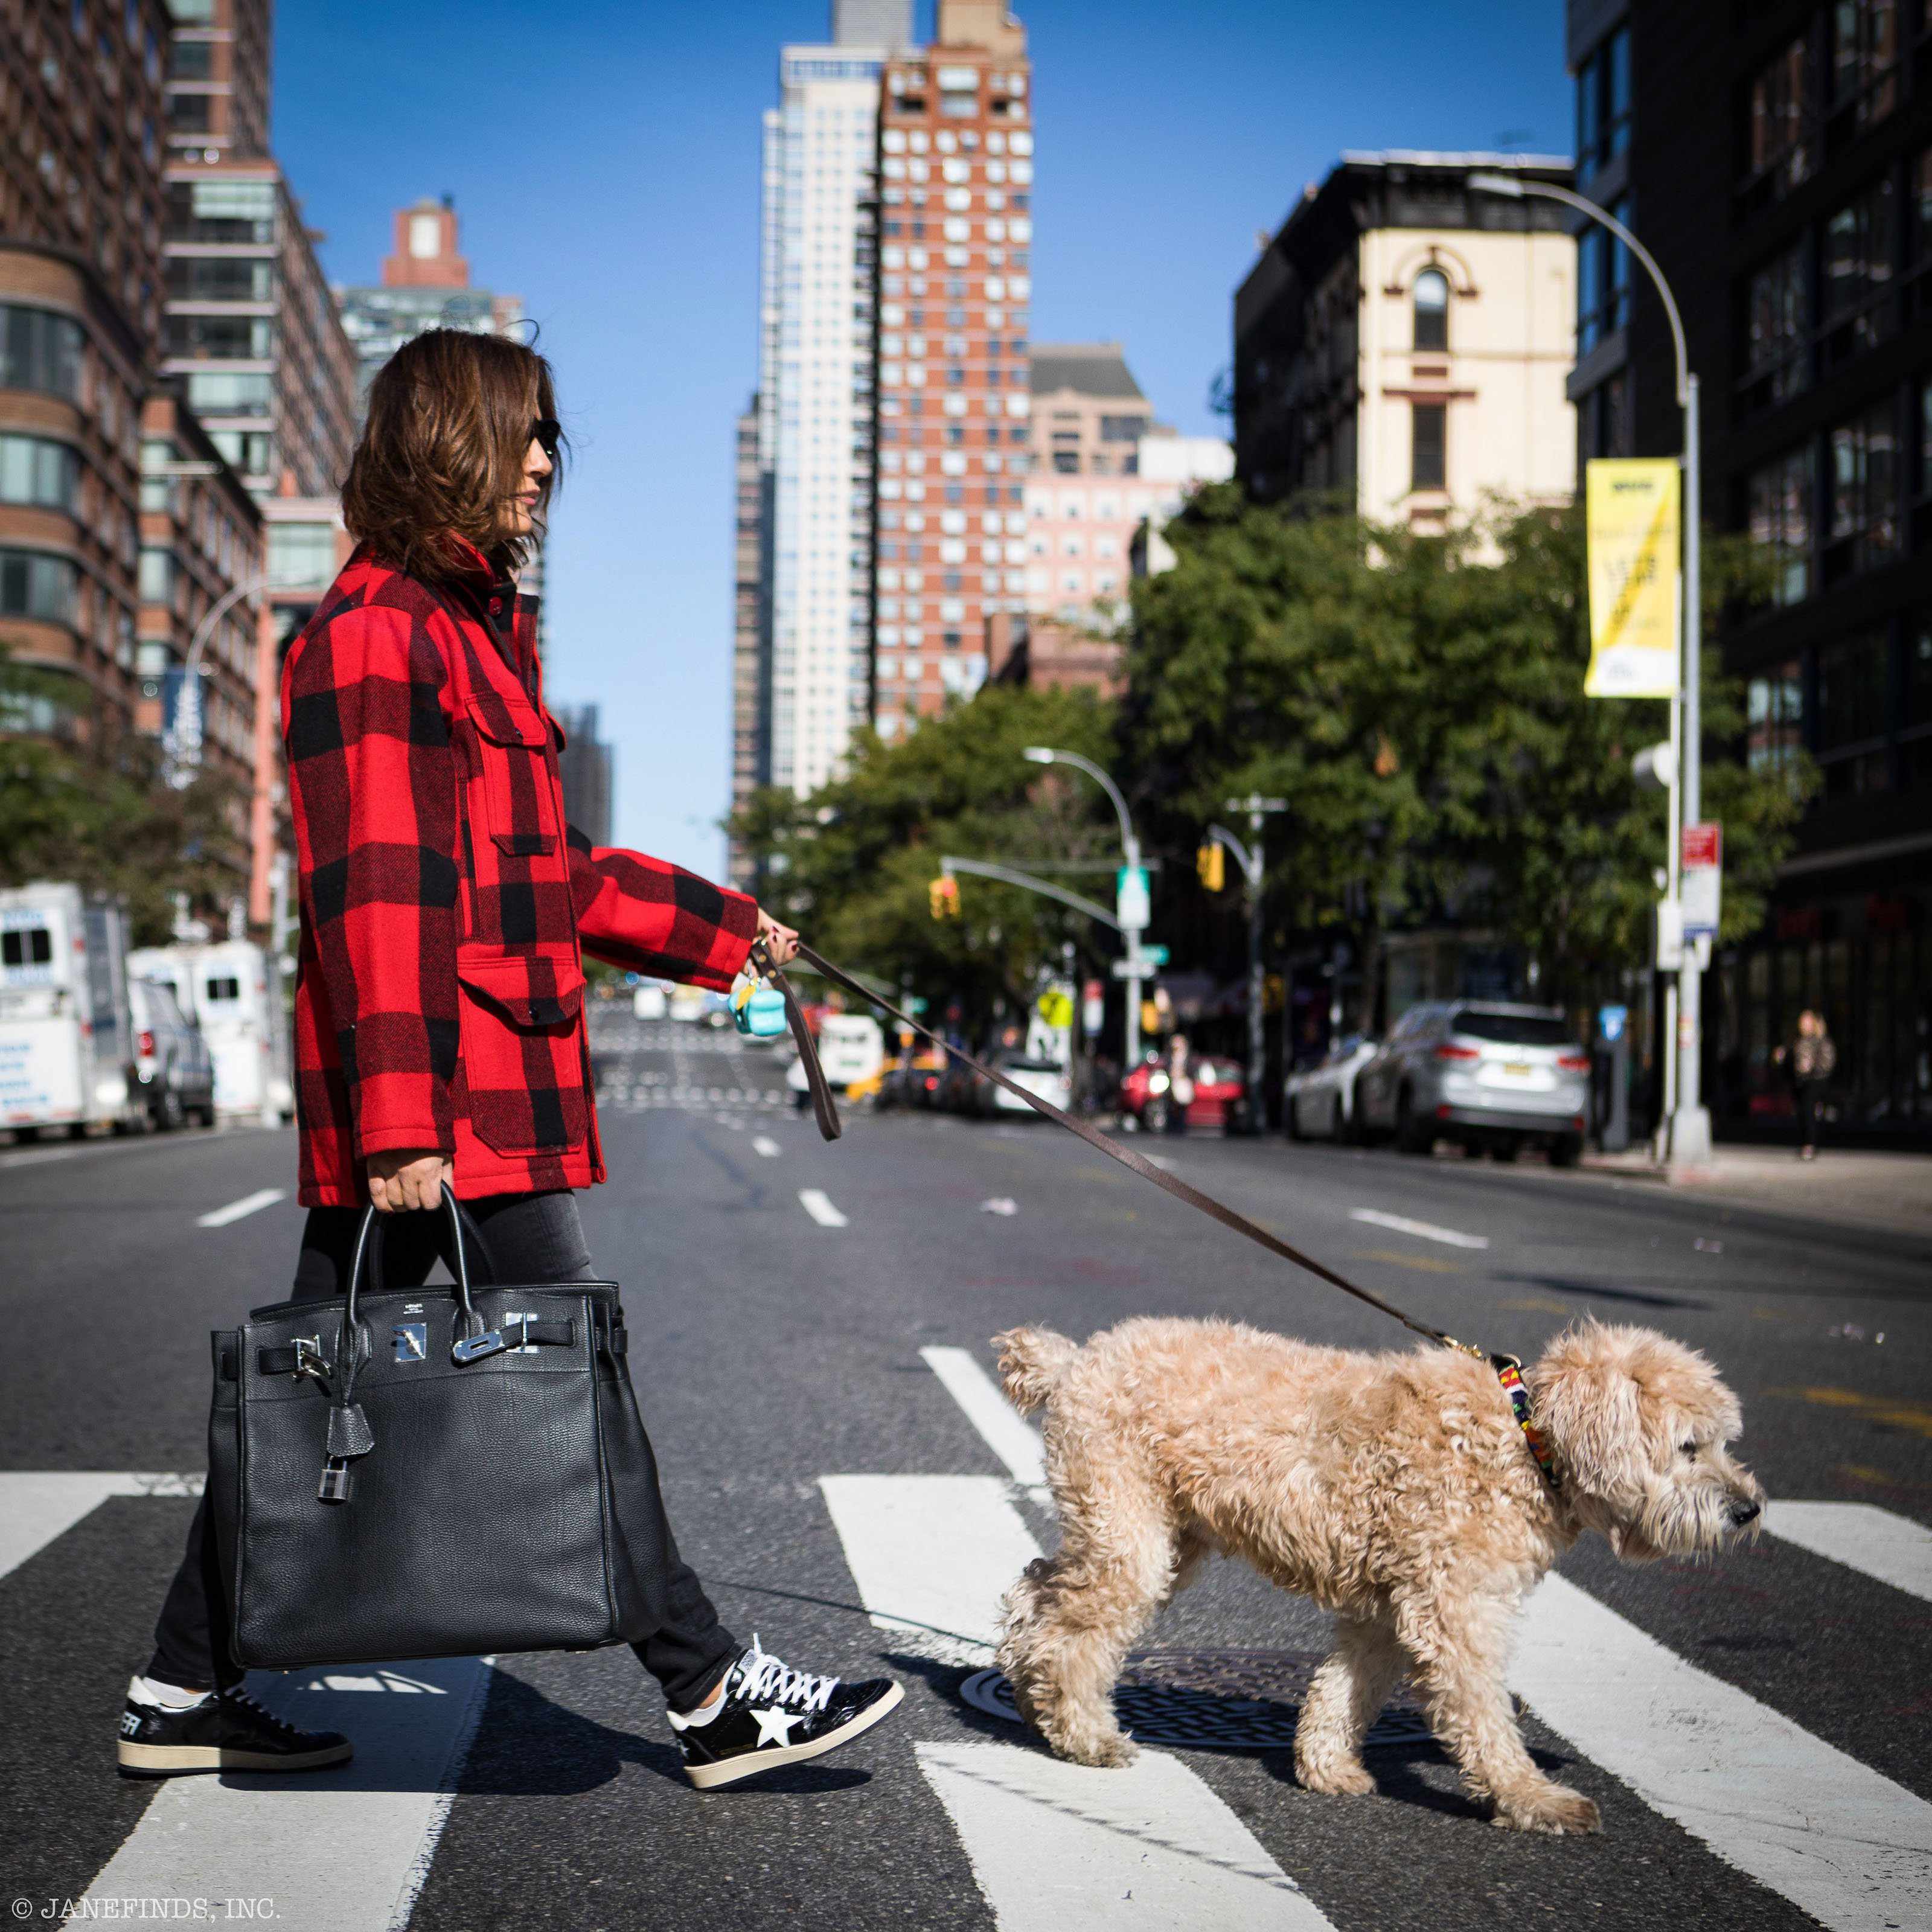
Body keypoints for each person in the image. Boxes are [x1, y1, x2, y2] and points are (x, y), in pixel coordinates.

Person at [117, 330, 900, 1789]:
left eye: (551, 437)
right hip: (451, 1102)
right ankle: (712, 1686)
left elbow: (549, 874)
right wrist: (402, 1120)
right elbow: (376, 897)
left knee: (315, 1384)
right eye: (522, 432)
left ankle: (177, 1682)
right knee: (568, 1378)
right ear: (446, 440)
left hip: (475, 1088)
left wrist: (726, 931)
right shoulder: (374, 636)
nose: (547, 461)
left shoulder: (465, 638)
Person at [1774, 1008, 1837, 1161]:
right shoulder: (1796, 1040)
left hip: (1815, 1081)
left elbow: (1827, 1061)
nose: (1803, 1025)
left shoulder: (1821, 1040)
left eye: (1807, 1021)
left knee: (1809, 1111)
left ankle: (1810, 1145)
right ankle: (1806, 1143)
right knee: (1803, 1113)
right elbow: (1787, 1059)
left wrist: (1812, 1069)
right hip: (1800, 1082)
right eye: (1802, 1022)